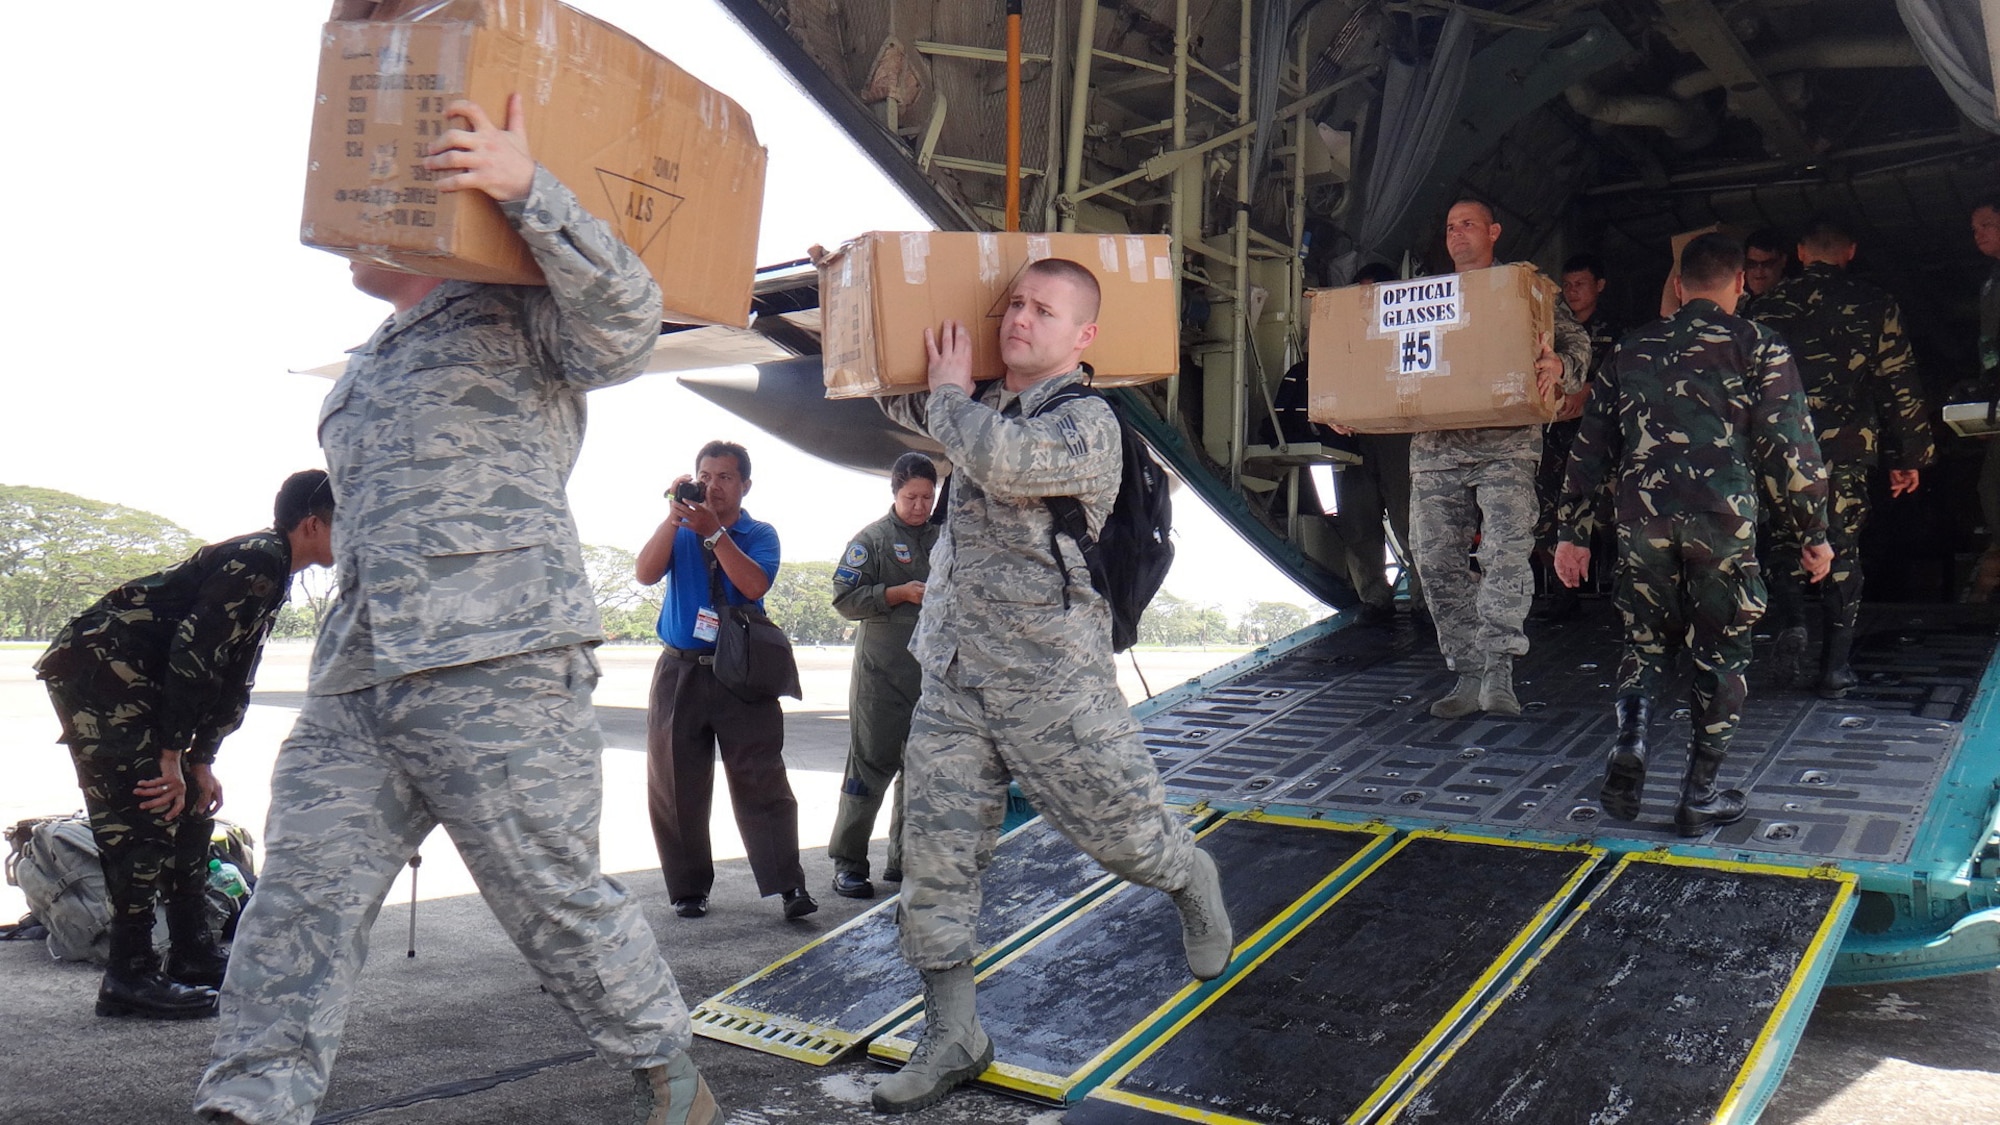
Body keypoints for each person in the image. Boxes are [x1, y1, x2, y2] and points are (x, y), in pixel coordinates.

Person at [195, 96, 723, 1125]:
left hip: (501, 665)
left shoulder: (514, 308)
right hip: (359, 680)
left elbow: (624, 326)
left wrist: (526, 190)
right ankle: (252, 1105)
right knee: (294, 908)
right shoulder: (365, 367)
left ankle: (671, 1080)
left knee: (555, 906)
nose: (348, 229)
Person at [871, 258, 1230, 1113]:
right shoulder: (977, 402)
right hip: (955, 675)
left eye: (1044, 309)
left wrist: (951, 396)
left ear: (1084, 337)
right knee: (934, 862)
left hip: (1052, 685)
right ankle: (954, 1032)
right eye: (1015, 304)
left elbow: (1004, 462)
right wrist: (858, 295)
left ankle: (1190, 878)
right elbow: (887, 391)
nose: (1021, 319)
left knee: (1125, 837)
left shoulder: (1090, 423)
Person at [1556, 233, 1832, 835]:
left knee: (1645, 644)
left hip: (1642, 524)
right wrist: (1815, 530)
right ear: (1738, 284)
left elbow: (1589, 447)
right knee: (1723, 653)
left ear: (1679, 286)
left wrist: (1572, 534)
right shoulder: (1758, 345)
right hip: (1722, 526)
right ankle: (1698, 794)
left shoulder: (1631, 347)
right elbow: (1791, 447)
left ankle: (1632, 738)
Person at [34, 471, 334, 1020]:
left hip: (144, 677)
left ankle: (191, 951)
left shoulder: (273, 568)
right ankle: (128, 975)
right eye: (348, 521)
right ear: (313, 524)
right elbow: (194, 659)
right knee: (144, 803)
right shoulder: (258, 558)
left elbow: (232, 671)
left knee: (191, 803)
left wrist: (202, 761)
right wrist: (171, 756)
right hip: (102, 670)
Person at [1412, 200, 1590, 718]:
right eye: (1449, 226)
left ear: (1493, 231)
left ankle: (1498, 672)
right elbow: (1385, 365)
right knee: (1436, 561)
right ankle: (1467, 672)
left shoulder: (1524, 290)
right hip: (1435, 447)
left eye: (1468, 224)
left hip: (1506, 445)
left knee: (1505, 557)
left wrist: (1562, 364)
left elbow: (1574, 340)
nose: (1457, 234)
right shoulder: (1424, 297)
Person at [1751, 217, 1932, 697]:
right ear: (1850, 252)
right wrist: (1909, 453)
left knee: (1784, 542)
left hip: (1778, 448)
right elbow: (1899, 383)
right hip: (1847, 448)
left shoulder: (1766, 306)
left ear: (1802, 253)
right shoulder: (1875, 304)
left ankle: (1792, 623)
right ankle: (1834, 669)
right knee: (1841, 547)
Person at [635, 440, 814, 921]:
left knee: (761, 778)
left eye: (725, 478)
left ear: (745, 485)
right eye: (705, 476)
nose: (713, 485)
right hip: (680, 670)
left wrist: (716, 535)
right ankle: (688, 887)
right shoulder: (680, 529)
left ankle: (788, 885)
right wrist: (675, 519)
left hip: (742, 673)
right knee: (676, 783)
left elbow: (754, 585)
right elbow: (645, 574)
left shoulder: (759, 533)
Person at [826, 452, 940, 898]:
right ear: (895, 492)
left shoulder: (944, 540)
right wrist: (896, 593)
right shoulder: (871, 541)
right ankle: (849, 862)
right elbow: (844, 599)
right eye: (911, 496)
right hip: (880, 678)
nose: (919, 506)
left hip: (930, 679)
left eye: (927, 498)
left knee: (921, 773)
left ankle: (903, 862)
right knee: (868, 770)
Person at [1534, 253, 1622, 621]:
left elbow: (1628, 384)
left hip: (1602, 441)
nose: (1572, 292)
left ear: (1599, 285)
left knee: (1610, 516)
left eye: (1580, 284)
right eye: (1567, 285)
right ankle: (1561, 593)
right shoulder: (1548, 330)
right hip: (1555, 440)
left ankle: (1619, 591)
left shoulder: (1618, 332)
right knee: (1546, 515)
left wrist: (1589, 395)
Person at [1966, 198, 2000, 600]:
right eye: (1975, 228)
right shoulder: (1991, 282)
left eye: (1988, 224)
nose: (1980, 234)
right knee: (1990, 487)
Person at [1738, 227, 1792, 318]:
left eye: (1768, 264)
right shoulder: (1737, 300)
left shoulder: (1793, 300)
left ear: (1783, 261)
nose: (1759, 271)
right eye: (1751, 263)